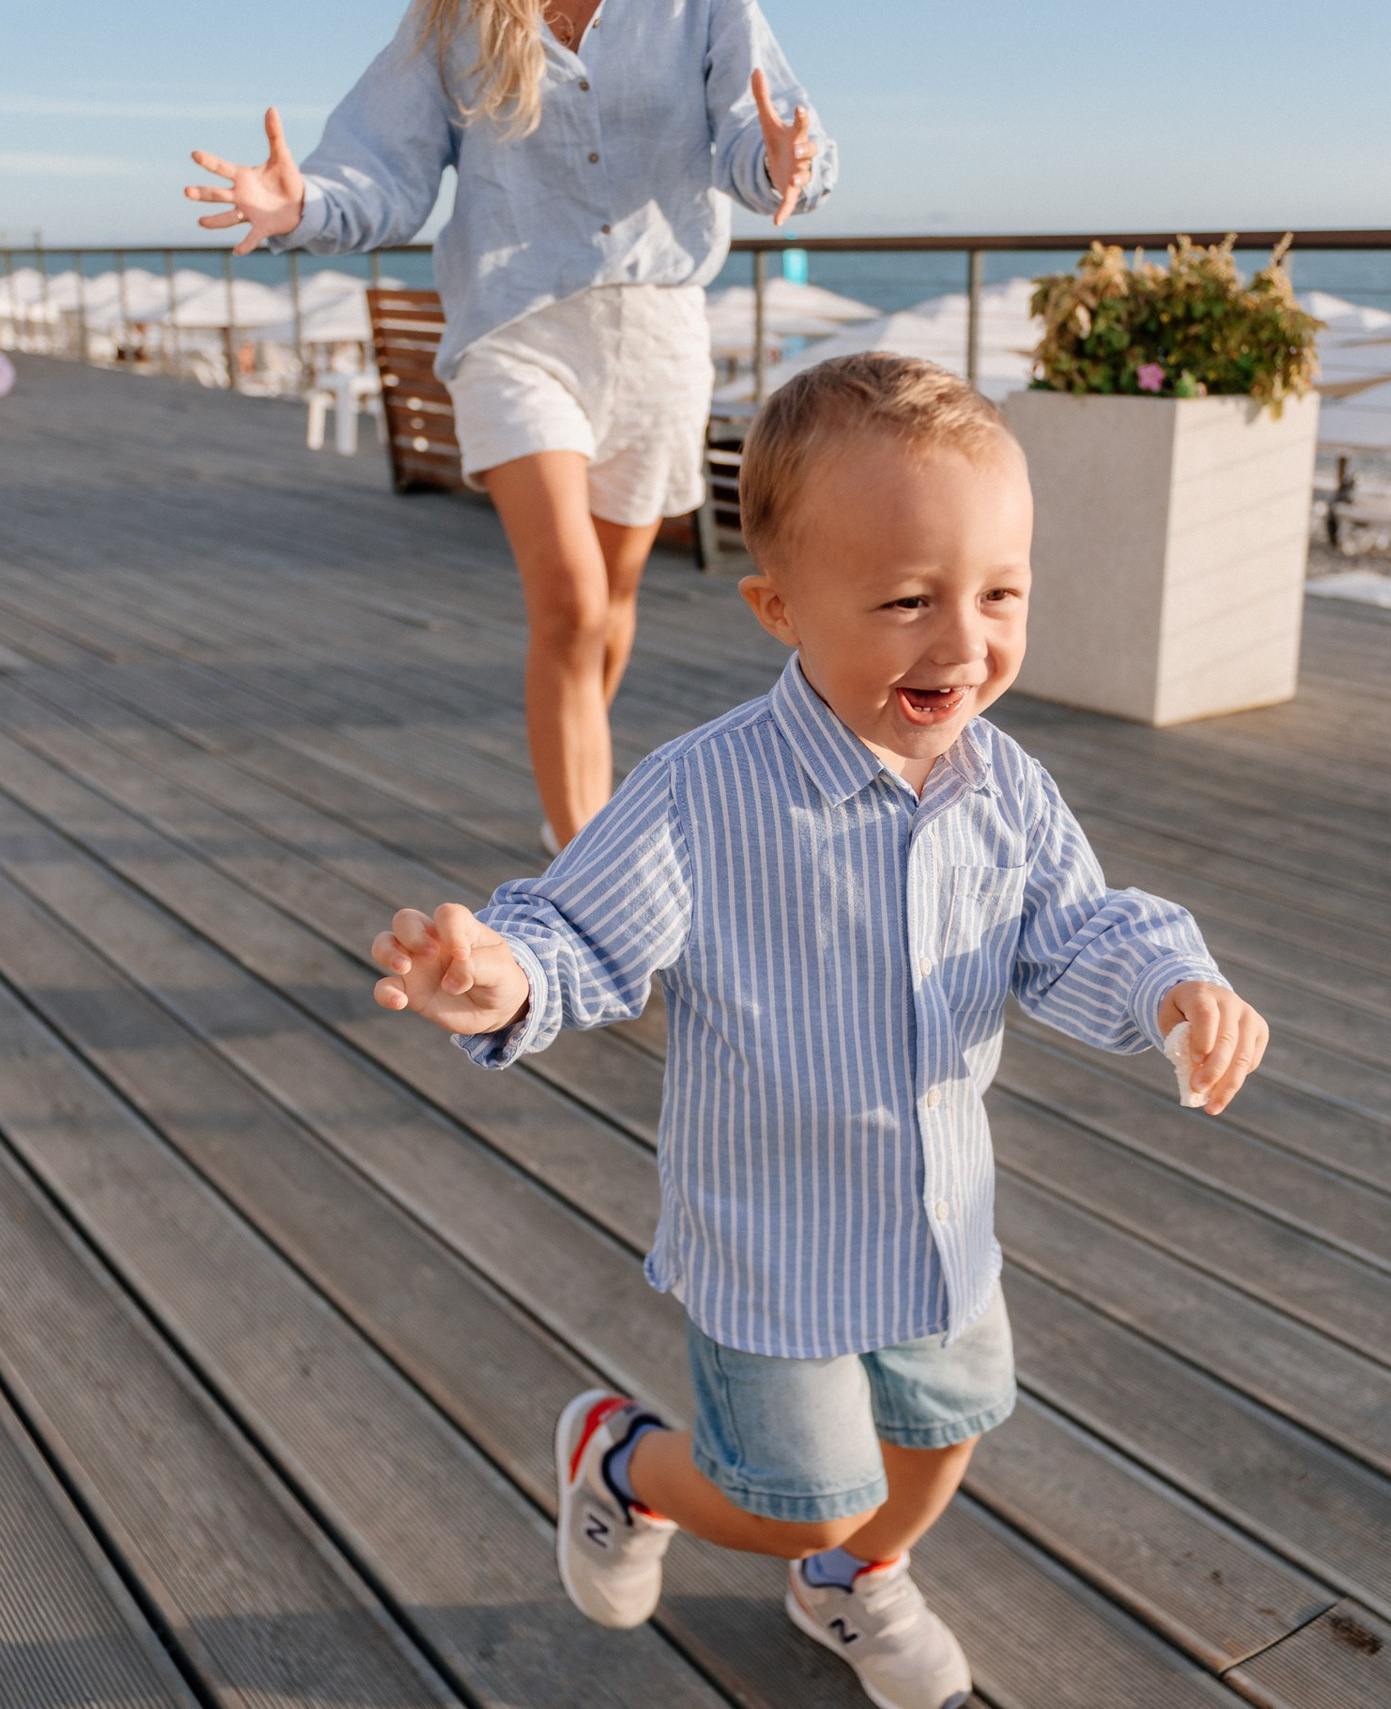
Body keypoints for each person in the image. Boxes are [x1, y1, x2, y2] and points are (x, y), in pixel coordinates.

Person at [366, 353, 1271, 1709]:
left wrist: (1169, 986)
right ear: (780, 607)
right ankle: (621, 1462)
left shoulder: (1004, 785)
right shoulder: (703, 795)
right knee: (795, 1495)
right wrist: (498, 977)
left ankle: (854, 1577)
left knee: (941, 1437)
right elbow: (578, 934)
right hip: (775, 1242)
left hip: (934, 1222)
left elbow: (1073, 928)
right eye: (908, 601)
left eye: (1000, 594)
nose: (963, 643)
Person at [186, 0, 833, 852]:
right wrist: (302, 203)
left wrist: (785, 161)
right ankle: (585, 870)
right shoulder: (452, 21)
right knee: (570, 601)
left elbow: (759, 127)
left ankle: (573, 767)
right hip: (516, 335)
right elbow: (384, 168)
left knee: (612, 600)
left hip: (656, 332)